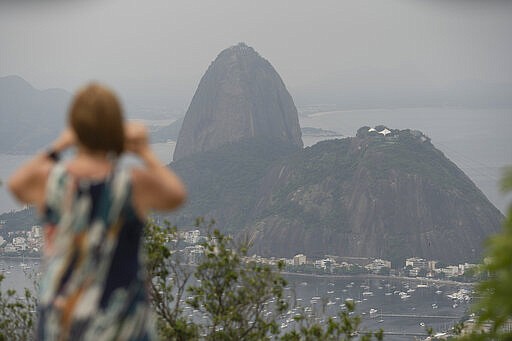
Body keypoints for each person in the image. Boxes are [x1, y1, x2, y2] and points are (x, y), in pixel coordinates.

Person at [8, 83, 186, 340]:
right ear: (115, 129)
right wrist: (145, 151)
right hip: (119, 318)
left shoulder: (53, 180)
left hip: (62, 315)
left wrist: (59, 146)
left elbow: (16, 184)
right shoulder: (131, 183)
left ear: (75, 128)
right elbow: (175, 194)